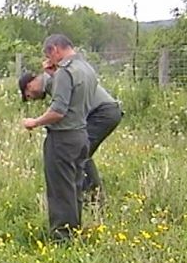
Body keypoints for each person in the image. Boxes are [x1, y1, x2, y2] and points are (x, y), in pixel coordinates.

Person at [22, 34, 98, 243]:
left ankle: (62, 237)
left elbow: (58, 110)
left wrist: (35, 122)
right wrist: (53, 74)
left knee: (59, 190)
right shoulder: (87, 69)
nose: (49, 60)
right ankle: (75, 231)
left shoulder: (66, 72)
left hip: (62, 138)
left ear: (55, 49)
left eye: (49, 54)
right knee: (74, 188)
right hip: (81, 135)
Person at [19, 62, 123, 200]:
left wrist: (36, 122)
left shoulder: (52, 81)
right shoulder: (54, 78)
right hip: (106, 110)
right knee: (82, 152)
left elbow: (59, 112)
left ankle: (94, 198)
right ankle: (90, 196)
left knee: (80, 152)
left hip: (102, 112)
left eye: (28, 96)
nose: (33, 99)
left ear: (30, 85)